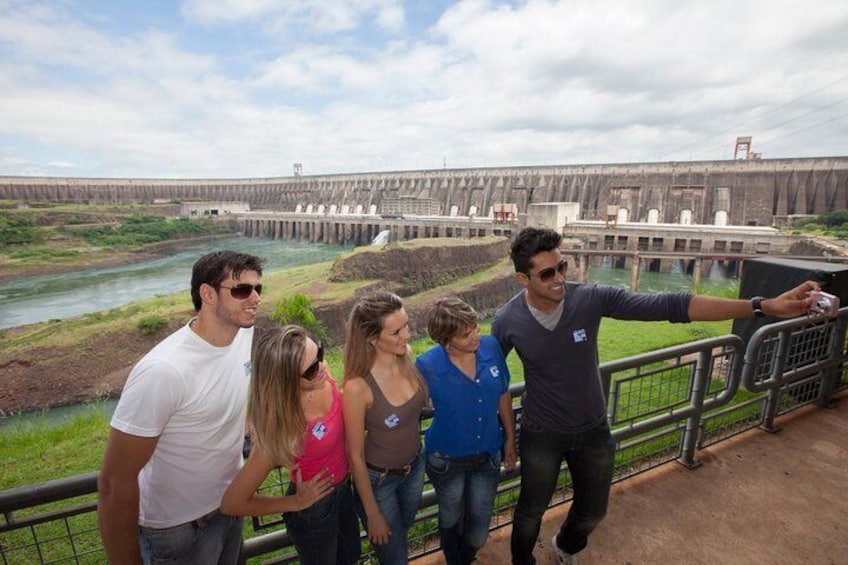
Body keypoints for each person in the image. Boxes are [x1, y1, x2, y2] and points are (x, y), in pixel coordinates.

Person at [492, 227, 821, 565]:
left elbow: (669, 305)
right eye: (547, 273)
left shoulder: (588, 299)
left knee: (593, 511)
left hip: (592, 430)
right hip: (541, 433)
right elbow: (491, 379)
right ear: (522, 278)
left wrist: (762, 305)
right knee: (531, 511)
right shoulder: (507, 321)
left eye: (563, 267)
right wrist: (504, 437)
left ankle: (567, 545)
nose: (560, 278)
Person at [98, 250, 265, 564]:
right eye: (242, 290)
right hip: (179, 529)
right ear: (207, 294)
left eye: (258, 289)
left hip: (230, 505)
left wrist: (247, 420)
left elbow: (230, 382)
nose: (255, 298)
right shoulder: (164, 371)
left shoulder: (243, 333)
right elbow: (113, 483)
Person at [220, 325, 361, 565]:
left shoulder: (322, 375)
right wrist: (294, 502)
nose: (322, 367)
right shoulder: (284, 425)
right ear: (285, 381)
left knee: (350, 555)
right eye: (311, 368)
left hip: (344, 490)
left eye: (320, 354)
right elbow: (232, 502)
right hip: (314, 508)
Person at [415, 297, 517, 565]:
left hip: (488, 453)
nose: (475, 336)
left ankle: (465, 557)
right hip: (446, 460)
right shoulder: (426, 365)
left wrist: (510, 439)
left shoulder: (492, 348)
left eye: (475, 327)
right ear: (445, 340)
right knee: (450, 516)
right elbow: (408, 404)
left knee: (479, 527)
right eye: (465, 334)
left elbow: (503, 394)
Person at [342, 291, 430, 565]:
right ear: (372, 338)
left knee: (401, 536)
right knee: (394, 557)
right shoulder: (358, 387)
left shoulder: (407, 357)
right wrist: (372, 513)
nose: (407, 334)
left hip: (415, 466)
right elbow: (355, 456)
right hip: (380, 482)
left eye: (406, 325)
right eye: (396, 332)